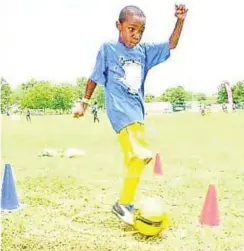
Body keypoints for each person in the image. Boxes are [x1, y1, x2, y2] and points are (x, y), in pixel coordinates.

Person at [74, 4, 188, 225]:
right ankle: (122, 205)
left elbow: (171, 44)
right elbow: (94, 78)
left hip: (137, 114)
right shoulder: (108, 49)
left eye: (141, 31)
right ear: (119, 25)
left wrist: (180, 21)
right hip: (119, 110)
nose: (136, 35)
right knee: (140, 154)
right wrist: (84, 103)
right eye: (131, 29)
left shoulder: (143, 51)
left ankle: (125, 202)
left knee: (135, 161)